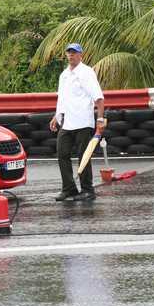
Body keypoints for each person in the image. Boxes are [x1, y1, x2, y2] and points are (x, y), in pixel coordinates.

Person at [49, 43, 105, 201]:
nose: (71, 55)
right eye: (69, 52)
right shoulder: (64, 75)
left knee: (84, 156)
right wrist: (56, 116)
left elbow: (98, 98)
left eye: (74, 53)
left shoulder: (87, 72)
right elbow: (62, 98)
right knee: (62, 154)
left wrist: (100, 119)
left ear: (81, 55)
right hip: (68, 122)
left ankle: (87, 189)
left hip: (83, 121)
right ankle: (69, 188)